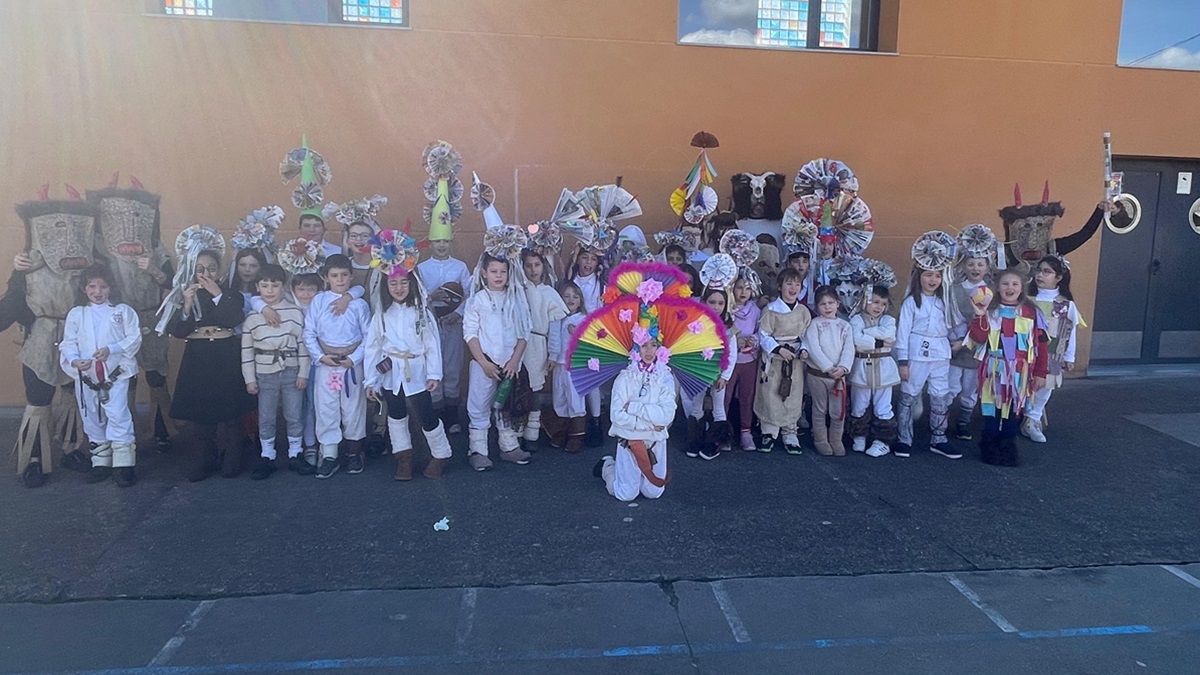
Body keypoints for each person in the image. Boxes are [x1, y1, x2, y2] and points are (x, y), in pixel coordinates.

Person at [168, 244, 255, 481]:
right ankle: (204, 459)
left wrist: (217, 293)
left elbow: (233, 318)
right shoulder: (184, 294)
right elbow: (178, 330)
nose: (205, 274)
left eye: (211, 269)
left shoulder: (230, 294)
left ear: (219, 271)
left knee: (230, 411)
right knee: (200, 412)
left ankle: (232, 459)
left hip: (225, 353)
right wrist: (186, 304)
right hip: (197, 354)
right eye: (199, 269)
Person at [365, 254, 453, 481]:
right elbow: (373, 348)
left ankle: (441, 454)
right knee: (395, 414)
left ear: (412, 282)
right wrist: (371, 380)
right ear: (385, 285)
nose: (399, 287)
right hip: (391, 371)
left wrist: (434, 373)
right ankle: (403, 456)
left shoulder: (421, 311)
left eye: (404, 282)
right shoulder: (381, 314)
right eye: (393, 283)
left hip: (417, 369)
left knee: (426, 413)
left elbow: (432, 344)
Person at [59, 264, 142, 486]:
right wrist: (75, 359)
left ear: (111, 288)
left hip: (114, 375)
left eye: (103, 287)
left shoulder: (122, 311)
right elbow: (69, 342)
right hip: (87, 377)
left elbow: (134, 338)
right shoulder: (77, 314)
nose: (98, 292)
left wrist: (111, 349)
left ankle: (124, 465)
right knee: (92, 417)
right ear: (84, 289)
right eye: (92, 286)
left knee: (117, 414)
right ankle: (101, 462)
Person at [464, 235, 534, 471]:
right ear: (483, 273)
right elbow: (470, 334)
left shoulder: (516, 298)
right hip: (485, 364)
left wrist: (514, 361)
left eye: (502, 271)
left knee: (506, 405)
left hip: (509, 365)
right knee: (480, 406)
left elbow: (525, 331)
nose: (498, 276)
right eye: (493, 271)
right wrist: (483, 362)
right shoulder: (477, 301)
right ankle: (478, 450)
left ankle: (509, 446)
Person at [968, 268, 1049, 466]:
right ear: (997, 287)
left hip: (1020, 373)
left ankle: (1008, 449)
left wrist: (1040, 373)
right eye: (1005, 284)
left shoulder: (1032, 313)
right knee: (992, 411)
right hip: (993, 370)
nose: (1010, 287)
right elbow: (978, 338)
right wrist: (979, 317)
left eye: (1014, 284)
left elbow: (1042, 345)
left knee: (1014, 412)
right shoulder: (990, 311)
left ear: (1022, 288)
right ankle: (989, 448)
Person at [303, 254, 371, 479]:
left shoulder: (359, 304)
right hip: (326, 364)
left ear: (351, 276)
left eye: (344, 275)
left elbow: (368, 336)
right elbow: (309, 332)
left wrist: (355, 358)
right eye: (334, 275)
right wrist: (320, 357)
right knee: (326, 408)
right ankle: (330, 455)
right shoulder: (319, 301)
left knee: (353, 408)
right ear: (326, 277)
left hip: (351, 364)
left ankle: (354, 453)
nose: (340, 280)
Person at [241, 265, 310, 480]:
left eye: (275, 285)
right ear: (257, 287)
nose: (270, 290)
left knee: (294, 414)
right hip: (264, 372)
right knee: (267, 416)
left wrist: (303, 373)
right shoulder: (252, 317)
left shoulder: (294, 312)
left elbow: (302, 344)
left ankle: (295, 453)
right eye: (264, 285)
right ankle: (267, 455)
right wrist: (249, 379)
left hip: (291, 370)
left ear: (283, 286)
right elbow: (246, 351)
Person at [895, 239, 960, 459]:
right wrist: (902, 361)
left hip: (941, 354)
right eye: (928, 274)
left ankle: (939, 438)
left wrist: (959, 340)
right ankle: (904, 438)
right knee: (909, 394)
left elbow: (953, 326)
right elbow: (902, 333)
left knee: (940, 394)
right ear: (918, 276)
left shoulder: (946, 302)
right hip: (916, 354)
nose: (933, 279)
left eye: (937, 275)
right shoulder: (911, 303)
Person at [595, 336, 676, 501]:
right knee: (625, 494)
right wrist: (651, 425)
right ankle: (608, 466)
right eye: (643, 345)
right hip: (630, 441)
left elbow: (667, 415)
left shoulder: (665, 377)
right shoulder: (625, 377)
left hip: (655, 442)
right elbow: (616, 415)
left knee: (654, 492)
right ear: (635, 349)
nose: (649, 350)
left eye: (653, 345)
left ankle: (633, 475)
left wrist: (634, 407)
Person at [1023, 255, 1083, 443]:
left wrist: (1070, 356)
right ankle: (1021, 415)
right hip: (1025, 351)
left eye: (1047, 272)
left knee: (1046, 386)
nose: (1040, 275)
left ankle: (1032, 420)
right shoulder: (1026, 299)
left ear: (1058, 278)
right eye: (1039, 270)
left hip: (1052, 353)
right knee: (1022, 383)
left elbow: (1070, 331)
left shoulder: (1065, 304)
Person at [417, 235, 472, 434]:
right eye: (437, 241)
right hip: (431, 324)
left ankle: (451, 415)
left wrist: (458, 313)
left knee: (452, 368)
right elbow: (416, 295)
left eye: (445, 241)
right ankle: (436, 414)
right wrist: (430, 297)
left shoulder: (460, 267)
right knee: (433, 367)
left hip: (453, 323)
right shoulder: (422, 268)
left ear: (451, 243)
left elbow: (469, 293)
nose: (441, 245)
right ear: (430, 242)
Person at [948, 225, 998, 441]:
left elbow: (993, 322)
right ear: (963, 265)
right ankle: (940, 420)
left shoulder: (993, 291)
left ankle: (963, 422)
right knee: (950, 387)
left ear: (987, 266)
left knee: (971, 389)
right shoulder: (954, 289)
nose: (975, 268)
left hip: (978, 348)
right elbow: (949, 318)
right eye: (971, 264)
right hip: (954, 345)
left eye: (980, 264)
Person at [754, 267, 812, 453]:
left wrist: (803, 350)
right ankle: (769, 432)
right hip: (775, 360)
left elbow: (806, 336)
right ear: (780, 286)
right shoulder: (770, 310)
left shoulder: (803, 311)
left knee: (793, 395)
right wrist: (778, 349)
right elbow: (763, 334)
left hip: (794, 361)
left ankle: (790, 432)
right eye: (789, 283)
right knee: (771, 394)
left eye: (797, 284)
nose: (793, 287)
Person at [521, 250, 568, 451]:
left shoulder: (549, 293)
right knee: (516, 386)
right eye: (528, 265)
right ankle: (512, 432)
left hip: (537, 343)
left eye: (537, 265)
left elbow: (555, 328)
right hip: (517, 342)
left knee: (535, 389)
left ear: (543, 266)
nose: (533, 270)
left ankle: (532, 431)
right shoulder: (518, 289)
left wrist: (553, 353)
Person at [685, 286, 737, 460]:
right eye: (712, 302)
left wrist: (725, 376)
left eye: (721, 303)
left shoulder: (728, 328)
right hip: (699, 372)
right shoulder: (696, 324)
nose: (716, 307)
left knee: (718, 407)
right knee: (696, 406)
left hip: (718, 374)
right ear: (704, 302)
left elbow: (732, 353)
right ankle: (695, 440)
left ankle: (715, 443)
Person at [848, 285, 900, 457]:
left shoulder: (888, 320)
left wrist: (867, 333)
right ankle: (859, 436)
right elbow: (856, 339)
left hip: (884, 369)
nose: (879, 307)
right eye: (875, 302)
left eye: (883, 304)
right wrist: (879, 341)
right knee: (859, 403)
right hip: (861, 367)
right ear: (865, 301)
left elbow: (890, 336)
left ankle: (882, 441)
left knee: (883, 405)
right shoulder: (856, 320)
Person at [803, 286, 855, 456]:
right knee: (819, 409)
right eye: (823, 304)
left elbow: (849, 348)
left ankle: (836, 440)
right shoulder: (814, 325)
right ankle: (820, 440)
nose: (827, 306)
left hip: (838, 377)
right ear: (817, 307)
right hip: (819, 375)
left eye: (831, 302)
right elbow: (814, 348)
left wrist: (842, 367)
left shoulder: (845, 326)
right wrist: (828, 367)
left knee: (838, 411)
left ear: (837, 303)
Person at [543, 281, 588, 452]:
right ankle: (561, 431)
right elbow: (553, 339)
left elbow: (590, 339)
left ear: (580, 301)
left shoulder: (582, 319)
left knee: (575, 398)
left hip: (574, 366)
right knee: (559, 397)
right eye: (566, 296)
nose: (571, 300)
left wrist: (576, 332)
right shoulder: (557, 317)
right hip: (559, 364)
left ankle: (577, 435)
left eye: (575, 297)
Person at [568, 247, 606, 445]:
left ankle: (596, 421)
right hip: (569, 332)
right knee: (571, 378)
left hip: (592, 336)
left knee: (592, 379)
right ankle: (574, 422)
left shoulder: (601, 284)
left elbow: (604, 312)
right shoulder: (569, 277)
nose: (588, 263)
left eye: (592, 259)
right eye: (584, 257)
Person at [290, 273, 323, 470]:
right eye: (300, 289)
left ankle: (321, 444)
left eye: (311, 289)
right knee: (299, 406)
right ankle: (305, 443)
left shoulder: (323, 306)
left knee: (316, 403)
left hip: (319, 362)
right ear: (293, 290)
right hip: (293, 363)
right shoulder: (287, 305)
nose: (305, 294)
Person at [727, 275, 761, 451]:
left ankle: (745, 432)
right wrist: (735, 340)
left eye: (747, 288)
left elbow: (759, 331)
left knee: (747, 397)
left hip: (749, 360)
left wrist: (753, 340)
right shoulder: (727, 308)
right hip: (730, 360)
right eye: (739, 287)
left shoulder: (755, 310)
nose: (743, 292)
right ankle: (722, 431)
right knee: (725, 396)